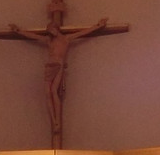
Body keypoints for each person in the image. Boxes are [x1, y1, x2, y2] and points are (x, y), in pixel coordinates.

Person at [10, 17, 107, 148]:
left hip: (58, 65)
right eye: (49, 31)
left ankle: (57, 122)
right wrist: (18, 31)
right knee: (47, 93)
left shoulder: (66, 39)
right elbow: (33, 36)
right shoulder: (48, 41)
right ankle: (54, 119)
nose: (51, 32)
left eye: (52, 29)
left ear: (56, 29)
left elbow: (83, 33)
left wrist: (98, 26)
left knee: (54, 91)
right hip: (49, 67)